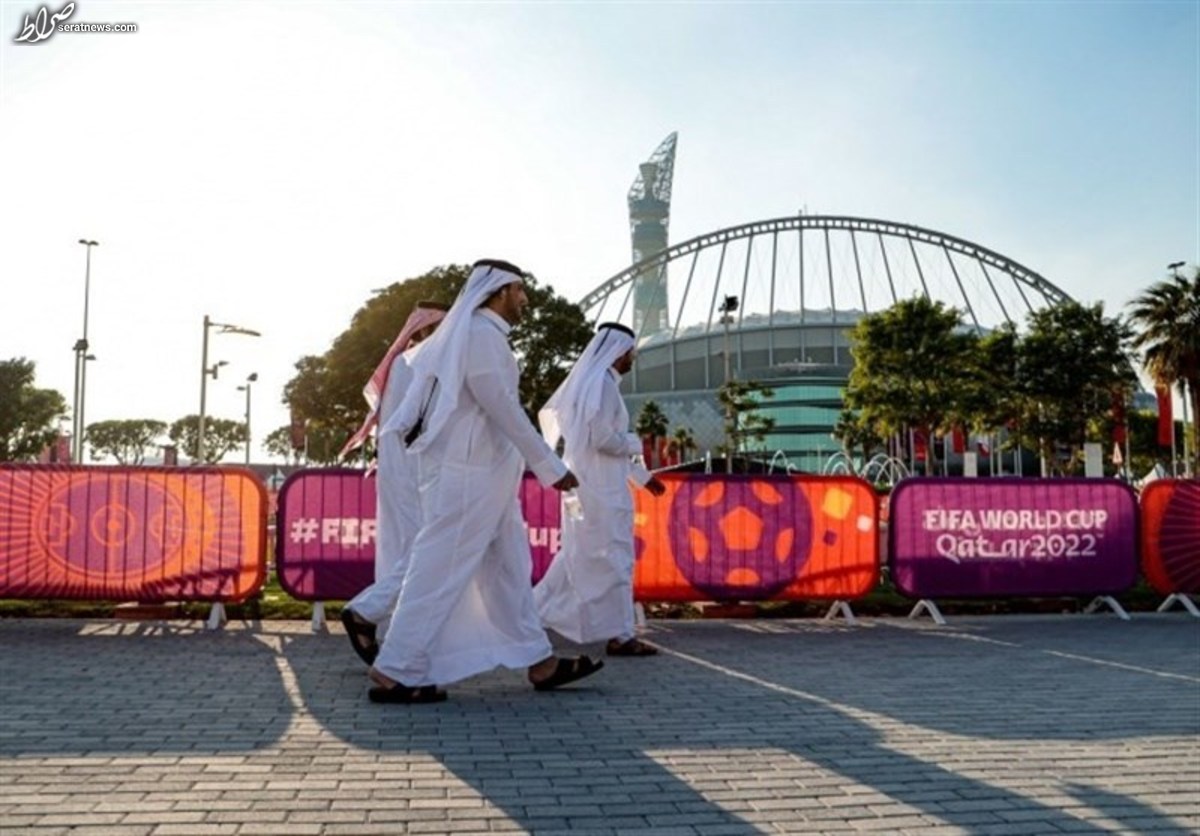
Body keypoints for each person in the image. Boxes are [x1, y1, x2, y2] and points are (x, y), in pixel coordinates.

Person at [367, 258, 604, 703]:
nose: (525, 299)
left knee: (508, 570)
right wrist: (549, 467)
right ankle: (396, 669)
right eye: (520, 290)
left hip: (488, 478)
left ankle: (539, 661)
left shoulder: (481, 337)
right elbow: (503, 410)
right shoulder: (480, 336)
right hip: (469, 478)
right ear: (499, 291)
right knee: (436, 569)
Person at [534, 322, 666, 656]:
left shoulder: (589, 385)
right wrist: (637, 443)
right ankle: (621, 637)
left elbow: (594, 446)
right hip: (601, 494)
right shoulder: (603, 386)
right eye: (629, 352)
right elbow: (602, 439)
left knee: (575, 558)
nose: (631, 359)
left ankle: (526, 617)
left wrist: (641, 476)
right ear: (617, 351)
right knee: (615, 560)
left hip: (585, 489)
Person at [337, 301, 448, 665]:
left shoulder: (402, 363)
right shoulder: (424, 362)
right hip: (420, 472)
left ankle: (396, 633)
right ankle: (369, 614)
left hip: (397, 470)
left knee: (402, 550)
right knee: (427, 551)